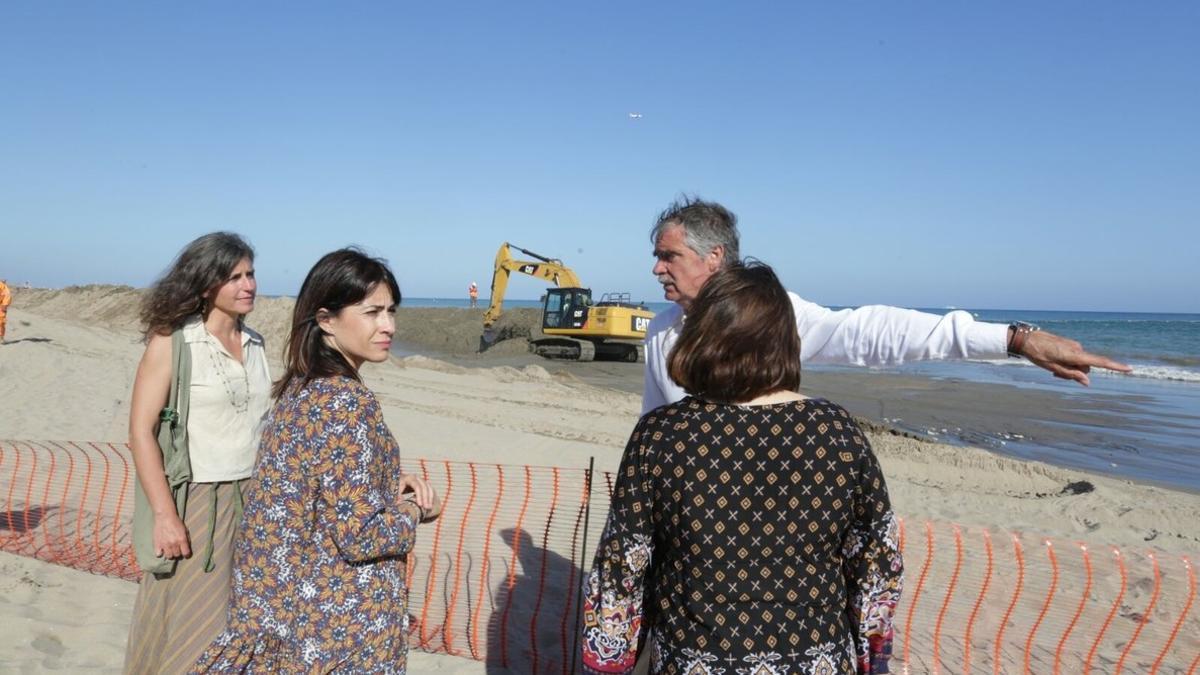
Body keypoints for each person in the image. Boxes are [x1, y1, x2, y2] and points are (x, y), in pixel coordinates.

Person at [583, 262, 903, 674]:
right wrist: (872, 659)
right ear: (785, 341)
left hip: (694, 659)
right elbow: (877, 565)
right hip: (817, 658)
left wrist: (612, 664)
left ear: (702, 338)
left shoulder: (661, 434)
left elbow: (621, 570)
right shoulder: (837, 431)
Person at [192, 248, 442, 673]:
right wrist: (415, 509)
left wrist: (382, 485)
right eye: (372, 312)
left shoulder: (301, 390)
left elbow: (317, 485)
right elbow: (361, 535)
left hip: (285, 616)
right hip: (341, 625)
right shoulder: (346, 402)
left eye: (392, 311)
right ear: (326, 320)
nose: (388, 326)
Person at [642, 197, 1132, 413]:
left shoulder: (772, 320)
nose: (658, 269)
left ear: (715, 257)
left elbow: (875, 332)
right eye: (658, 257)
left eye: (670, 256)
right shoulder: (660, 330)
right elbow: (652, 430)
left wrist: (1016, 339)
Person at [125, 233, 272, 674]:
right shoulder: (173, 342)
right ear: (207, 285)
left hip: (254, 502)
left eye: (250, 274)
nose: (248, 285)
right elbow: (140, 431)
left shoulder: (258, 344)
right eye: (234, 277)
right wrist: (166, 515)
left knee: (241, 626)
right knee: (193, 631)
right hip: (197, 505)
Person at [0, 278, 11, 343]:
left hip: (1, 305)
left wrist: (5, 304)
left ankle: (1, 338)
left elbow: (7, 294)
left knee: (1, 322)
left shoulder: (2, 286)